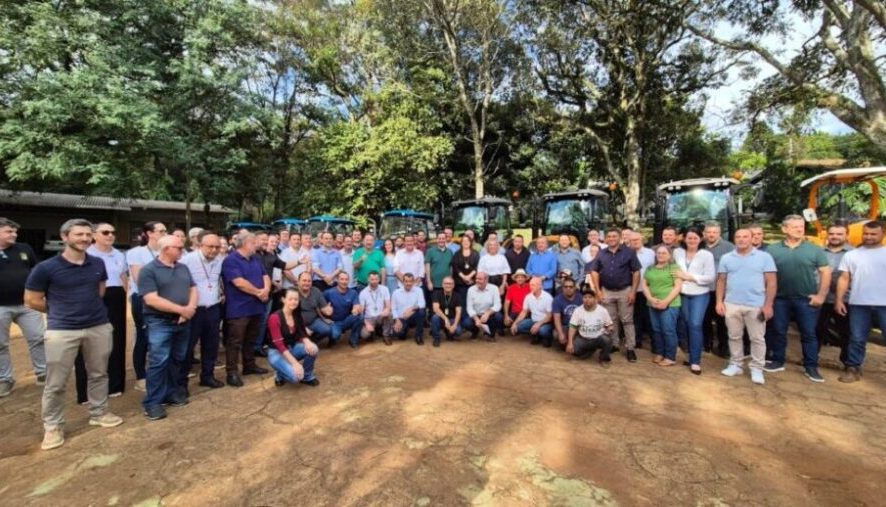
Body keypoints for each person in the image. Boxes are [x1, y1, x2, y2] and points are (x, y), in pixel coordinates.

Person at [24, 219, 122, 450]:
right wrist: (59, 310)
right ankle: (53, 426)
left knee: (98, 373)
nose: (85, 239)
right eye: (79, 234)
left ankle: (98, 412)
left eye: (88, 235)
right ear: (65, 237)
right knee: (56, 382)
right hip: (62, 330)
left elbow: (100, 291)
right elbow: (31, 300)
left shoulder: (97, 263)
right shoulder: (46, 268)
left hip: (98, 326)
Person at [763, 215, 831, 382]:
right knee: (779, 331)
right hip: (780, 299)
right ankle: (777, 361)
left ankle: (811, 367)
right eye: (795, 227)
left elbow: (826, 272)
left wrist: (821, 295)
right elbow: (765, 274)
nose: (800, 229)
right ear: (784, 229)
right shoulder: (772, 250)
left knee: (809, 333)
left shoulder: (814, 249)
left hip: (806, 300)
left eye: (801, 226)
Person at [138, 234, 197, 420]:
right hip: (160, 322)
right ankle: (153, 402)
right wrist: (182, 310)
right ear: (165, 249)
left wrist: (189, 309)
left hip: (183, 321)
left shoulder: (183, 267)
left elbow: (193, 289)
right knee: (159, 361)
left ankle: (171, 393)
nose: (182, 251)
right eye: (179, 248)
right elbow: (151, 299)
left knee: (177, 359)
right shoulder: (149, 270)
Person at [75, 222, 128, 403]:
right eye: (105, 232)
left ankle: (115, 384)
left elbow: (123, 277)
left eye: (113, 232)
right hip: (91, 298)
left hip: (116, 296)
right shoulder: (86, 254)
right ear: (94, 235)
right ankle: (85, 392)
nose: (110, 235)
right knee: (88, 342)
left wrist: (124, 296)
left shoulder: (119, 255)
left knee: (116, 340)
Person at [716, 229, 777, 385]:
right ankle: (736, 364)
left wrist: (768, 305)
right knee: (734, 336)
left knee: (757, 338)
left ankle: (757, 368)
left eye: (745, 237)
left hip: (755, 304)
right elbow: (721, 280)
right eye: (738, 236)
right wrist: (719, 301)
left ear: (752, 238)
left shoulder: (764, 257)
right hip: (731, 303)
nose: (741, 239)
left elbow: (771, 282)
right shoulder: (726, 258)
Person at [835, 221, 886, 383]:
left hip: (884, 304)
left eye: (873, 234)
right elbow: (844, 279)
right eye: (866, 234)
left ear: (882, 234)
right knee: (857, 338)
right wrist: (839, 300)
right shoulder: (852, 255)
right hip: (858, 303)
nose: (869, 237)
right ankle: (853, 368)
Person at [0, 217, 46, 398]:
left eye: (15, 231)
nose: (14, 234)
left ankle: (43, 372)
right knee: (0, 344)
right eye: (9, 231)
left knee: (38, 338)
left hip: (28, 304)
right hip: (1, 307)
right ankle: (4, 379)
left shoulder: (24, 249)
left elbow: (36, 271)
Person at [220, 232, 270, 388]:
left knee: (251, 338)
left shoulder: (256, 259)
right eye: (253, 242)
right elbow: (239, 282)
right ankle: (232, 372)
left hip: (257, 306)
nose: (256, 245)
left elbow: (265, 276)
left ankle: (249, 365)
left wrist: (266, 290)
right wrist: (259, 292)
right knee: (235, 341)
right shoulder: (231, 260)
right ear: (245, 244)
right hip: (239, 308)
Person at [180, 230, 225, 389]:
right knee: (187, 347)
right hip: (194, 310)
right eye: (210, 247)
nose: (214, 250)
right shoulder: (187, 261)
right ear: (199, 245)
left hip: (213, 308)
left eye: (217, 247)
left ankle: (207, 376)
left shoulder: (219, 260)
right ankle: (181, 383)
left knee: (211, 345)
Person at [589, 228, 641, 362]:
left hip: (625, 290)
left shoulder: (629, 252)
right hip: (607, 291)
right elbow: (594, 271)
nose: (612, 239)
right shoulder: (601, 253)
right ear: (606, 239)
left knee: (627, 320)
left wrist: (633, 291)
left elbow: (636, 272)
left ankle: (630, 348)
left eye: (614, 236)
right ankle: (614, 344)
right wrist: (598, 291)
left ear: (620, 238)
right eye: (609, 236)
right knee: (610, 320)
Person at [126, 221, 167, 392]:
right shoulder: (137, 253)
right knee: (144, 336)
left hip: (166, 300)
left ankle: (160, 373)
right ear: (149, 233)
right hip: (144, 300)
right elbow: (139, 279)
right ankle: (141, 376)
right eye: (161, 231)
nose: (165, 233)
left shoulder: (168, 252)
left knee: (162, 338)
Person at [673, 227, 716, 374]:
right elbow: (673, 271)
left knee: (695, 324)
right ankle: (689, 355)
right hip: (683, 293)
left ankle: (696, 361)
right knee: (684, 324)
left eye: (695, 238)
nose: (692, 240)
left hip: (700, 294)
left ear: (700, 239)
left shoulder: (706, 255)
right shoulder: (677, 252)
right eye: (689, 238)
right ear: (684, 239)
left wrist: (690, 277)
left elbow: (710, 277)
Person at [266, 289, 320, 387]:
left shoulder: (296, 314)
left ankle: (307, 376)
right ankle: (279, 373)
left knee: (314, 349)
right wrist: (295, 363)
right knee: (296, 377)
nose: (293, 302)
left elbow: (302, 332)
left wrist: (307, 342)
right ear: (283, 300)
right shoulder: (274, 317)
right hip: (277, 352)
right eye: (290, 299)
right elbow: (279, 345)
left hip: (291, 348)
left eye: (296, 299)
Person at [815, 224, 851, 364]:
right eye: (832, 233)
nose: (835, 236)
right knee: (815, 330)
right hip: (820, 298)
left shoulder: (853, 254)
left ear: (846, 235)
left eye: (839, 234)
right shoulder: (818, 252)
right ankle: (811, 357)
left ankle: (849, 363)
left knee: (846, 333)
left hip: (845, 299)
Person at [642, 246, 683, 367]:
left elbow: (677, 286)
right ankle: (660, 353)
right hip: (652, 303)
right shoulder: (650, 268)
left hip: (670, 304)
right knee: (656, 329)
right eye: (658, 253)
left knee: (668, 330)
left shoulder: (674, 268)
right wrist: (650, 298)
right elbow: (645, 285)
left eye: (664, 253)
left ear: (669, 255)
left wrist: (666, 301)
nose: (661, 255)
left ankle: (670, 357)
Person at [702, 222, 735, 357]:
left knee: (722, 320)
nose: (711, 234)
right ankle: (707, 344)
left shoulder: (729, 247)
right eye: (709, 232)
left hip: (722, 291)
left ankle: (723, 347)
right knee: (705, 319)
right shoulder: (700, 246)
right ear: (704, 233)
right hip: (703, 290)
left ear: (719, 233)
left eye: (714, 232)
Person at [566, 286, 614, 366]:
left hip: (598, 338)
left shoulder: (602, 310)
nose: (587, 299)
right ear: (582, 299)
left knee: (607, 340)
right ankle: (590, 350)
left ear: (595, 299)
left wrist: (610, 329)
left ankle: (604, 358)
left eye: (590, 297)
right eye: (585, 297)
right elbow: (572, 327)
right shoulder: (578, 311)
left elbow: (610, 325)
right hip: (583, 338)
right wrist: (570, 343)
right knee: (575, 351)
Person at [628, 231, 654, 350]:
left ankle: (654, 342)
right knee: (635, 316)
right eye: (632, 240)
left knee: (649, 316)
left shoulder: (650, 253)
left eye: (637, 239)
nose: (635, 242)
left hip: (647, 290)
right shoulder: (626, 253)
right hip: (632, 289)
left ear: (642, 240)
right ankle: (637, 340)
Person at [510, 276, 554, 346]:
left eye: (533, 285)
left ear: (540, 286)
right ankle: (536, 334)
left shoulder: (548, 298)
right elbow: (524, 312)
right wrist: (515, 323)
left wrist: (539, 324)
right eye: (530, 284)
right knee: (519, 327)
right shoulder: (528, 297)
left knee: (543, 331)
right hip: (533, 320)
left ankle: (546, 337)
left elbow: (550, 316)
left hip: (545, 322)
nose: (530, 287)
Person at [323, 272, 364, 348]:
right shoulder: (328, 292)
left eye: (346, 279)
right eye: (342, 279)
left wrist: (355, 309)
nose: (344, 282)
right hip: (334, 322)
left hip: (347, 320)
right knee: (335, 335)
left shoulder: (353, 292)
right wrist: (324, 318)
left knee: (360, 317)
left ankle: (353, 340)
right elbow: (319, 306)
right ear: (337, 280)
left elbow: (356, 305)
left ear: (348, 281)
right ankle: (332, 338)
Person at [294, 272, 335, 343]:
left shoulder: (315, 291)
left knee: (327, 330)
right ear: (298, 282)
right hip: (297, 324)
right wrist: (302, 328)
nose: (307, 283)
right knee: (300, 343)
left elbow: (322, 307)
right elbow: (290, 315)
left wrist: (327, 311)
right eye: (304, 280)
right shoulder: (293, 293)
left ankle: (313, 340)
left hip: (313, 321)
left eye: (309, 281)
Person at [464, 272, 504, 340]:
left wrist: (488, 313)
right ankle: (475, 331)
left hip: (489, 315)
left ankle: (490, 333)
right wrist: (476, 319)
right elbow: (469, 307)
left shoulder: (494, 288)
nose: (477, 281)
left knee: (499, 317)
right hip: (476, 315)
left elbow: (498, 305)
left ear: (486, 280)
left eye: (480, 279)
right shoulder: (471, 290)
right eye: (476, 278)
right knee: (466, 323)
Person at [359, 271, 393, 345]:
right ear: (368, 279)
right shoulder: (363, 293)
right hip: (369, 318)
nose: (374, 281)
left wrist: (387, 310)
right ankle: (373, 332)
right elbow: (361, 312)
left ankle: (386, 335)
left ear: (379, 279)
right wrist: (367, 324)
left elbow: (388, 305)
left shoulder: (385, 289)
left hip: (380, 316)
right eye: (372, 279)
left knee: (389, 314)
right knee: (364, 335)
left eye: (376, 279)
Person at [391, 273, 426, 344]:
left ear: (413, 282)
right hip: (402, 318)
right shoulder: (396, 292)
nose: (408, 283)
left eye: (410, 281)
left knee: (421, 312)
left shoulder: (419, 290)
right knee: (400, 335)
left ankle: (419, 336)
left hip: (413, 316)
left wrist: (411, 309)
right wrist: (397, 320)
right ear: (403, 282)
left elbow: (422, 304)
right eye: (406, 281)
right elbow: (393, 308)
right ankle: (404, 330)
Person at [430, 277, 462, 346]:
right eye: (446, 283)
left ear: (453, 285)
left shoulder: (457, 296)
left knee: (458, 331)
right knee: (435, 317)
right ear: (442, 285)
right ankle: (436, 338)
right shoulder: (437, 293)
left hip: (452, 319)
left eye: (450, 284)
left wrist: (455, 325)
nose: (448, 285)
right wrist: (445, 319)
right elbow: (435, 308)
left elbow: (458, 312)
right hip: (441, 319)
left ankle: (448, 333)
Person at [552, 278, 582, 347]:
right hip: (565, 326)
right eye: (566, 287)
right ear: (562, 288)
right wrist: (560, 334)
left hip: (578, 326)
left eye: (571, 287)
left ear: (575, 288)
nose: (568, 288)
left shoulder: (581, 298)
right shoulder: (557, 300)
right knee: (556, 334)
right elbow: (557, 319)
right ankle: (566, 342)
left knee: (578, 346)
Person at [451, 235, 480, 305]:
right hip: (460, 283)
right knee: (462, 302)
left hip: (472, 282)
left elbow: (477, 266)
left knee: (473, 302)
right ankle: (463, 316)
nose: (465, 242)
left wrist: (469, 277)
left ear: (470, 242)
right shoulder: (457, 254)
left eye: (467, 240)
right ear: (461, 243)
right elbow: (455, 267)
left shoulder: (476, 254)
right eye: (464, 241)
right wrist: (464, 277)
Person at [425, 231, 454, 300]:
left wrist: (451, 280)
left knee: (446, 306)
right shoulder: (430, 251)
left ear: (446, 239)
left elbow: (451, 267)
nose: (441, 240)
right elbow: (427, 267)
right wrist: (429, 282)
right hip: (434, 284)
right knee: (435, 305)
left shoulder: (450, 252)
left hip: (447, 285)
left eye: (443, 238)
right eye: (439, 238)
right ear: (437, 239)